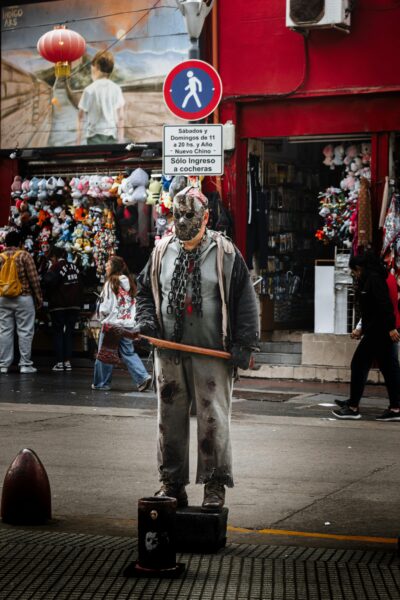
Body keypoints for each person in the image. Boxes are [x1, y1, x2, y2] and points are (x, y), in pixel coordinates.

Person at [135, 186, 259, 510]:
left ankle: (214, 486)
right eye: (178, 214)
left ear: (205, 217)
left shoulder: (225, 253)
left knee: (213, 420)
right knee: (169, 421)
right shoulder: (161, 251)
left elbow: (244, 299)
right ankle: (172, 484)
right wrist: (146, 321)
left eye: (190, 214)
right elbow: (144, 292)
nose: (183, 220)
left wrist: (244, 343)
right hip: (169, 354)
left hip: (211, 355)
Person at [333, 251, 400, 421]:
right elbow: (373, 308)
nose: (354, 274)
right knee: (389, 369)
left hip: (379, 332)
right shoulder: (373, 278)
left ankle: (354, 407)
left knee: (360, 364)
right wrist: (361, 328)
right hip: (377, 331)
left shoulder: (374, 280)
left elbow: (384, 304)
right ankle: (395, 407)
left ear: (360, 267)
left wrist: (391, 327)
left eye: (355, 270)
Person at [92, 256, 151, 392]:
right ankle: (143, 377)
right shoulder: (130, 283)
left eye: (108, 265)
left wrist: (102, 317)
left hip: (112, 325)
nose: (106, 267)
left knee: (106, 353)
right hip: (128, 323)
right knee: (128, 353)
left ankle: (102, 383)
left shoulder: (110, 283)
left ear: (114, 267)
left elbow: (105, 307)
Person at [0, 230, 42, 373]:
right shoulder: (24, 255)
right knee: (25, 331)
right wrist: (38, 298)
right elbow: (34, 279)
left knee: (5, 331)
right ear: (20, 243)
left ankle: (3, 364)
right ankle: (25, 364)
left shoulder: (0, 257)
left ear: (5, 243)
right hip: (23, 297)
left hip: (3, 298)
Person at [42, 246, 82, 371]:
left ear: (54, 256)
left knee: (58, 332)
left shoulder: (55, 267)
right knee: (69, 332)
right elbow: (81, 284)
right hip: (74, 305)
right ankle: (67, 362)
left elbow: (47, 282)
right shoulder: (75, 267)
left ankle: (59, 362)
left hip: (59, 305)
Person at [77, 50, 125, 145]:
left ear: (97, 67)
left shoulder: (89, 90)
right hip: (111, 136)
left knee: (95, 159)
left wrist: (78, 141)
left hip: (93, 137)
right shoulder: (116, 89)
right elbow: (121, 117)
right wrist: (121, 139)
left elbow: (80, 117)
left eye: (92, 68)